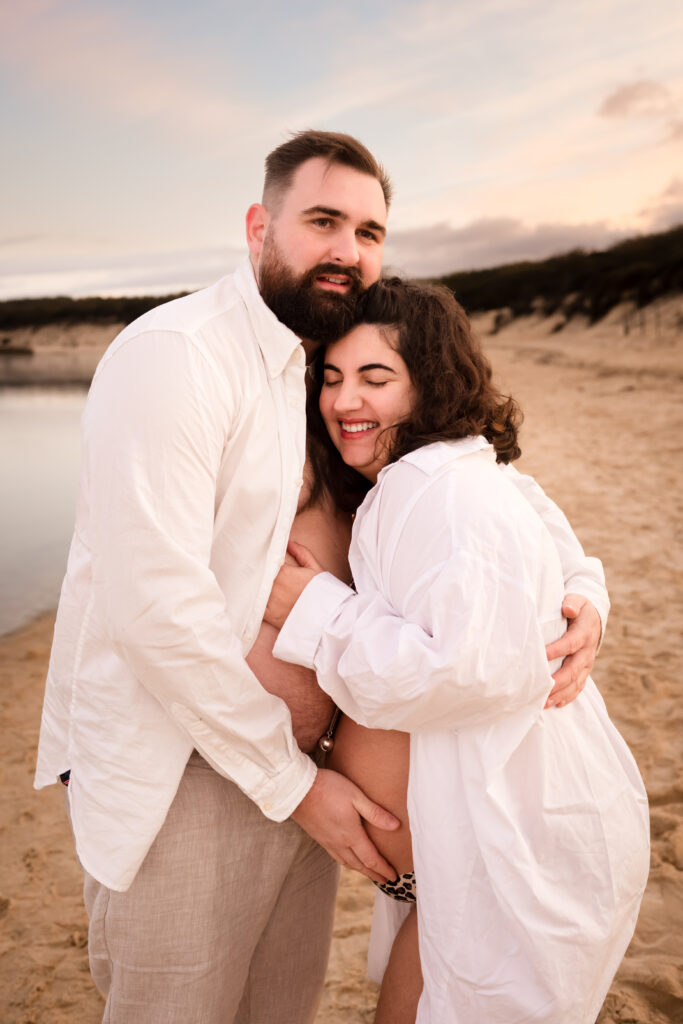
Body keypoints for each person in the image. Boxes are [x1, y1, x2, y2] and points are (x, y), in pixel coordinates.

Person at [34, 131, 608, 1024]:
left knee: (278, 1009)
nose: (349, 250)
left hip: (305, 772)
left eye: (370, 232)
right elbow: (154, 608)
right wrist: (297, 787)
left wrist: (584, 593)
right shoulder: (179, 355)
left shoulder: (326, 366)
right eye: (323, 221)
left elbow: (493, 487)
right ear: (261, 225)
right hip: (193, 770)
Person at [267, 279, 650, 1024]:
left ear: (428, 384)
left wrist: (309, 611)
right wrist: (587, 596)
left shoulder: (441, 490)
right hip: (463, 857)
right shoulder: (450, 471)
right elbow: (551, 535)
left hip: (513, 847)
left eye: (376, 379)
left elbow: (462, 671)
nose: (345, 401)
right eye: (333, 378)